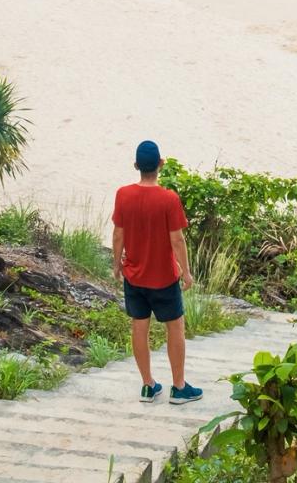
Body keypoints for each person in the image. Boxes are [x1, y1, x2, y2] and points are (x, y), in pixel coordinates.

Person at [111, 140, 201, 404]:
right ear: (160, 164)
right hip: (163, 278)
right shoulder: (169, 199)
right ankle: (179, 387)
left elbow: (118, 234)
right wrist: (186, 272)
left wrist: (117, 265)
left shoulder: (123, 194)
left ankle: (148, 386)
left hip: (135, 276)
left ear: (136, 166)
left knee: (139, 327)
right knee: (176, 328)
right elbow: (177, 240)